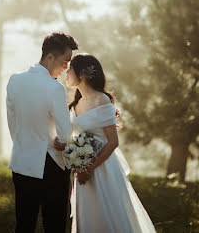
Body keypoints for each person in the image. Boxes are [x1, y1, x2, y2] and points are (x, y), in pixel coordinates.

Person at [55, 53, 157, 233]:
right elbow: (80, 136)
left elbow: (112, 142)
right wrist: (67, 146)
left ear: (83, 74)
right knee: (87, 214)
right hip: (82, 168)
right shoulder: (76, 103)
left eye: (70, 69)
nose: (66, 72)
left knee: (105, 212)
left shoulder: (102, 100)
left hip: (102, 168)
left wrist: (89, 168)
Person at [6, 32, 78, 233]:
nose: (66, 68)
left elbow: (13, 124)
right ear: (49, 57)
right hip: (52, 165)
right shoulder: (54, 88)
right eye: (65, 61)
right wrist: (62, 143)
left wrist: (23, 145)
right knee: (54, 225)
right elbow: (65, 133)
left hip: (21, 161)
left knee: (24, 223)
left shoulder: (14, 80)